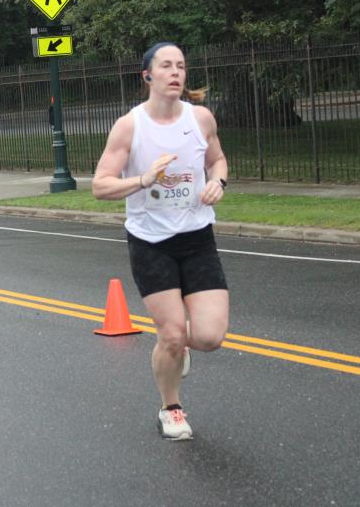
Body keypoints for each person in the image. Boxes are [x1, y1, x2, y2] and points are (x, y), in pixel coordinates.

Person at [91, 42, 229, 441]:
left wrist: (219, 182)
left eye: (181, 66)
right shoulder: (130, 126)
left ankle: (179, 346)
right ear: (147, 75)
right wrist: (143, 180)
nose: (175, 73)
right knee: (171, 333)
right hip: (151, 242)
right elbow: (100, 186)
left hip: (197, 238)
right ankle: (171, 408)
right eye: (166, 66)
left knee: (209, 337)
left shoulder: (200, 118)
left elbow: (217, 161)